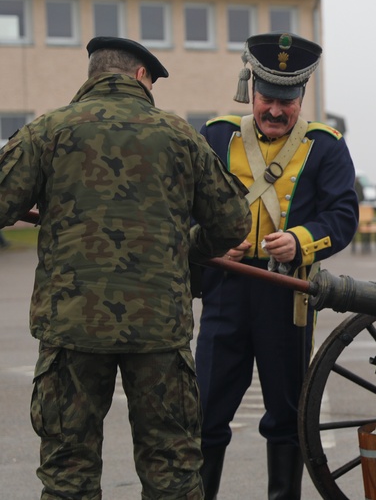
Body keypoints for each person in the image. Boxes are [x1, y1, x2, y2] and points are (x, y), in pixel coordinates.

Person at [0, 36, 251, 499]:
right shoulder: (179, 135)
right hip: (159, 331)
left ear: (93, 75)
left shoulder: (48, 131)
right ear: (140, 76)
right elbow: (233, 224)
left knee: (67, 472)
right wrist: (189, 246)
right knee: (171, 472)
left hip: (72, 330)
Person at [195, 32, 359, 500]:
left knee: (286, 417)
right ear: (251, 90)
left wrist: (301, 241)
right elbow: (186, 203)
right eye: (267, 98)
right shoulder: (216, 135)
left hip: (287, 293)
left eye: (287, 102)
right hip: (227, 288)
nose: (275, 111)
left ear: (301, 98)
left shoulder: (326, 146)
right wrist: (209, 242)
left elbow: (343, 215)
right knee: (207, 411)